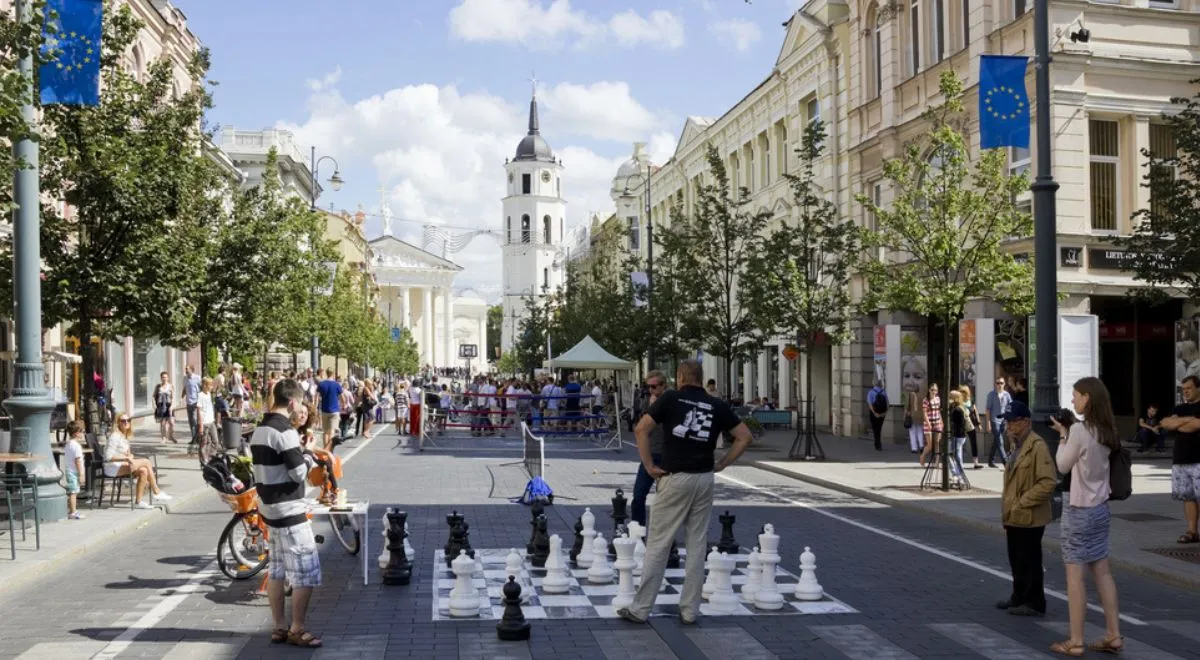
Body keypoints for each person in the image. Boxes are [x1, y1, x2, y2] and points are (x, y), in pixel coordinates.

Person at [617, 359, 754, 626]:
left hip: (675, 477)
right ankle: (690, 610)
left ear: (680, 377)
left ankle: (641, 609)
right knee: (696, 544)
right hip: (704, 478)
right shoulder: (716, 404)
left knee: (659, 543)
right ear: (701, 378)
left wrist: (649, 465)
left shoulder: (670, 399)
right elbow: (745, 437)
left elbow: (641, 429)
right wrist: (723, 463)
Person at [1050, 377, 1122, 656]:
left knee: (1075, 576)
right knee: (1103, 572)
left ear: (1087, 398)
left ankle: (1076, 640)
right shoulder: (1107, 430)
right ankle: (1113, 634)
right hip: (1101, 508)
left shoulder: (1080, 430)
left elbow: (1062, 466)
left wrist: (1063, 435)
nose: (1073, 400)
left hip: (1079, 508)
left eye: (1076, 395)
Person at [251, 379, 322, 649]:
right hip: (289, 508)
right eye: (299, 403)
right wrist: (309, 452)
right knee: (306, 571)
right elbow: (299, 472)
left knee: (277, 569)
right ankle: (297, 628)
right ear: (292, 402)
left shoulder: (260, 429)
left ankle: (279, 626)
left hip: (269, 507)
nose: (300, 408)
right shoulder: (285, 431)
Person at [995, 401, 1055, 617]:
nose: (1009, 425)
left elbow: (1048, 482)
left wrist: (1023, 501)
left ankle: (1034, 601)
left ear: (1026, 422)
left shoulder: (1037, 446)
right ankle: (1019, 596)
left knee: (1029, 559)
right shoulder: (1016, 445)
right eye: (1007, 421)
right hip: (1014, 514)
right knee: (1016, 558)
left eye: (1013, 421)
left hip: (1030, 515)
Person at [105, 413, 172, 508]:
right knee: (146, 461)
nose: (126, 422)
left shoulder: (124, 436)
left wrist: (129, 456)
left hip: (123, 464)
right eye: (123, 421)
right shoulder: (115, 436)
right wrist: (126, 458)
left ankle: (138, 502)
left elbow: (127, 453)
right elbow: (108, 457)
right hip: (112, 467)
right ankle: (156, 491)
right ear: (118, 423)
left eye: (128, 420)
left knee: (143, 471)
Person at [1162, 375, 1200, 544]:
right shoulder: (1179, 408)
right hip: (1181, 459)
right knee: (1187, 497)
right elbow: (1165, 423)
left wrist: (1179, 423)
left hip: (1198, 458)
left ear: (1198, 388)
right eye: (1183, 389)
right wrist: (1189, 419)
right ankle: (1192, 531)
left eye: (1189, 388)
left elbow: (1196, 426)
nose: (1186, 392)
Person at [630, 370, 668, 527]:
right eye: (648, 387)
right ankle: (637, 531)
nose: (651, 390)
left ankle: (666, 535)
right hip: (650, 455)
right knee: (638, 495)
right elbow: (640, 427)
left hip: (668, 456)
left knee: (665, 500)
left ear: (664, 385)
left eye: (654, 386)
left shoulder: (671, 401)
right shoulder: (647, 402)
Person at [985, 377, 1013, 468]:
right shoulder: (991, 394)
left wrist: (1009, 421)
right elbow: (988, 410)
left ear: (1004, 384)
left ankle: (990, 461)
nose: (999, 385)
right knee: (1000, 441)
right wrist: (988, 423)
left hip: (1003, 421)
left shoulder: (1007, 395)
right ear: (995, 384)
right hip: (994, 421)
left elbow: (1010, 408)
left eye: (1001, 383)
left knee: (996, 441)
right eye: (997, 383)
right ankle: (1006, 463)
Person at [63, 420, 86, 520]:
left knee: (72, 491)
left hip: (69, 470)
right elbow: (77, 461)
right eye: (82, 431)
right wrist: (81, 474)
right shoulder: (76, 446)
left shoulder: (68, 444)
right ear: (77, 433)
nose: (83, 433)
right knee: (73, 492)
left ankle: (72, 510)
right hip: (74, 472)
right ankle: (73, 512)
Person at [316, 368, 342, 450]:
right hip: (334, 410)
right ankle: (330, 448)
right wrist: (343, 405)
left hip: (324, 410)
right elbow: (342, 397)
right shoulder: (337, 384)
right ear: (333, 373)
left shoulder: (321, 384)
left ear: (326, 373)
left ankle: (325, 448)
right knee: (332, 431)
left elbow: (316, 397)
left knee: (325, 432)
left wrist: (315, 406)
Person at [181, 364, 201, 442]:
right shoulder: (185, 379)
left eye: (187, 369)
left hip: (196, 402)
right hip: (188, 402)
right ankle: (194, 438)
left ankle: (198, 437)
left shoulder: (197, 378)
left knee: (195, 419)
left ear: (192, 370)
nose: (186, 370)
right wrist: (181, 398)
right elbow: (184, 389)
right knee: (191, 421)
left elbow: (201, 388)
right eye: (185, 369)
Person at [153, 371, 175, 443]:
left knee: (171, 422)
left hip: (169, 405)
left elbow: (173, 397)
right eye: (163, 377)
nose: (164, 378)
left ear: (168, 378)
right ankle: (163, 438)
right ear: (161, 378)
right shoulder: (158, 387)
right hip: (161, 406)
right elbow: (153, 396)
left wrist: (172, 406)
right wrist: (154, 405)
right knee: (163, 423)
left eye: (166, 377)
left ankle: (170, 436)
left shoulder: (170, 386)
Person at [867, 380, 888, 451]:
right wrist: (884, 413)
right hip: (882, 413)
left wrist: (874, 413)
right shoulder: (883, 392)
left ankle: (877, 444)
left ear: (874, 384)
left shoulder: (871, 392)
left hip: (874, 413)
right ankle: (878, 444)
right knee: (879, 428)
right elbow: (887, 403)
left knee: (875, 428)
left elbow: (869, 404)